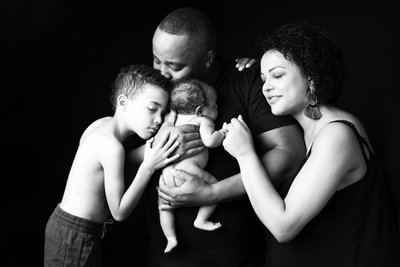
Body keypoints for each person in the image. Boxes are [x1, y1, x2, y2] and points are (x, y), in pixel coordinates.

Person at [222, 21, 400, 266]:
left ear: (312, 78)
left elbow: (284, 227)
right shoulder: (308, 130)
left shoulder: (337, 135)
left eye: (278, 75)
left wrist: (244, 154)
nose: (266, 87)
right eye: (263, 79)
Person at [142, 7, 306, 266]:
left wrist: (211, 193)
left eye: (174, 66)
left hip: (232, 257)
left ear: (207, 59)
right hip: (163, 256)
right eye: (156, 60)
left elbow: (289, 154)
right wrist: (160, 144)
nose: (161, 73)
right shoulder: (152, 88)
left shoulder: (246, 81)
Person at [44, 64, 181, 267]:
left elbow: (112, 166)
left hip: (63, 225)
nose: (159, 119)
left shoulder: (101, 125)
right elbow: (119, 212)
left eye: (163, 112)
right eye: (152, 109)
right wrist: (148, 167)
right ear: (124, 102)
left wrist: (156, 144)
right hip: (76, 237)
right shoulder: (112, 147)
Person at [159, 78, 227, 253]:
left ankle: (170, 238)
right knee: (215, 188)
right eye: (214, 105)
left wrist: (167, 122)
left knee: (164, 205)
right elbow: (211, 141)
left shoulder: (173, 121)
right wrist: (223, 132)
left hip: (167, 174)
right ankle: (201, 220)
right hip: (189, 171)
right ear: (199, 111)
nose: (217, 107)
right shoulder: (203, 120)